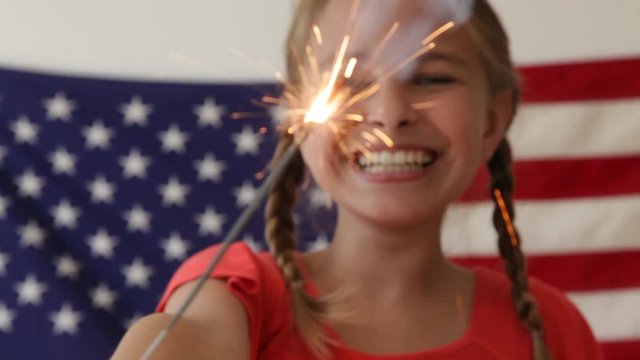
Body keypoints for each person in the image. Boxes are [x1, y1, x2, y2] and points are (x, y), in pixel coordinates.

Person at [112, 0, 603, 359]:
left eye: (431, 78)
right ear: (298, 117)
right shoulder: (240, 296)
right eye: (350, 83)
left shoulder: (549, 328)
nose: (389, 116)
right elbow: (190, 338)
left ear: (492, 121)